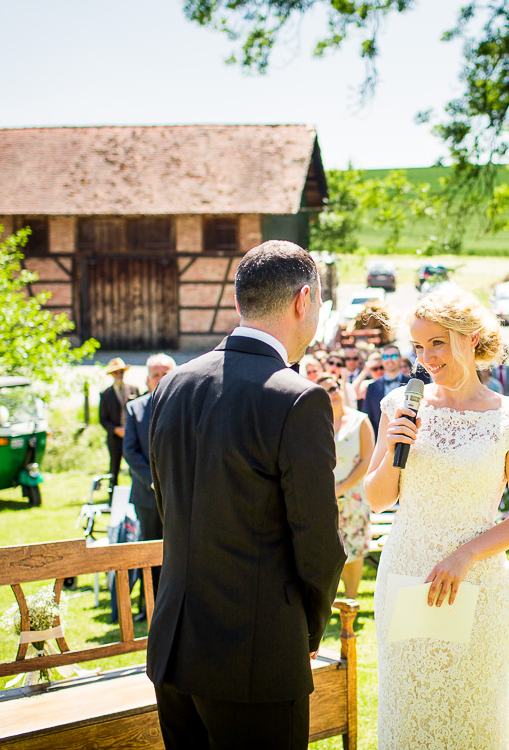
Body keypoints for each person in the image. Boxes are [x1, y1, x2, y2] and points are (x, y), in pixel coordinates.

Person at [146, 240, 345, 750]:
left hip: (173, 647)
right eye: (319, 305)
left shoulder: (172, 386)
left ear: (240, 303)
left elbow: (169, 508)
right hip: (255, 656)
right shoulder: (297, 398)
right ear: (304, 300)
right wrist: (304, 634)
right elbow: (320, 545)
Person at [365, 286, 509, 749]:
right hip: (408, 572)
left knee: (474, 710)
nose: (426, 358)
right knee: (411, 707)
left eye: (436, 343)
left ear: (471, 337)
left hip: (478, 580)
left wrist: (465, 555)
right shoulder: (400, 404)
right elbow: (377, 498)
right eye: (419, 347)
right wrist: (395, 449)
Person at [122, 353, 177, 621]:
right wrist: (154, 480)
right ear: (147, 379)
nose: (161, 378)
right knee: (151, 550)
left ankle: (178, 604)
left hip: (180, 494)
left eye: (166, 373)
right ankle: (151, 606)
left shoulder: (184, 405)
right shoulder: (136, 409)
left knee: (178, 550)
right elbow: (131, 453)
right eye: (156, 374)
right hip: (148, 495)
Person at [317, 373, 374, 600]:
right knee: (326, 552)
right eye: (325, 392)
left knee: (354, 550)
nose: (332, 395)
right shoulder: (316, 423)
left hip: (352, 496)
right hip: (323, 498)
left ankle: (351, 600)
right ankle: (326, 603)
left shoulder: (360, 420)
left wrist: (341, 488)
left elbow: (367, 459)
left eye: (334, 389)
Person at [99, 357, 140, 492]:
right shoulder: (106, 394)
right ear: (112, 375)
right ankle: (112, 494)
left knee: (134, 466)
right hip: (115, 436)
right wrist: (116, 429)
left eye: (121, 372)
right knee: (114, 466)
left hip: (131, 434)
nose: (119, 375)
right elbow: (103, 419)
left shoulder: (133, 389)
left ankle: (135, 492)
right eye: (116, 372)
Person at [362, 342, 411, 437]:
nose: (389, 360)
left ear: (400, 359)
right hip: (380, 440)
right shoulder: (372, 387)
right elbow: (368, 418)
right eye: (385, 357)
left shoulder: (411, 384)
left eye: (393, 356)